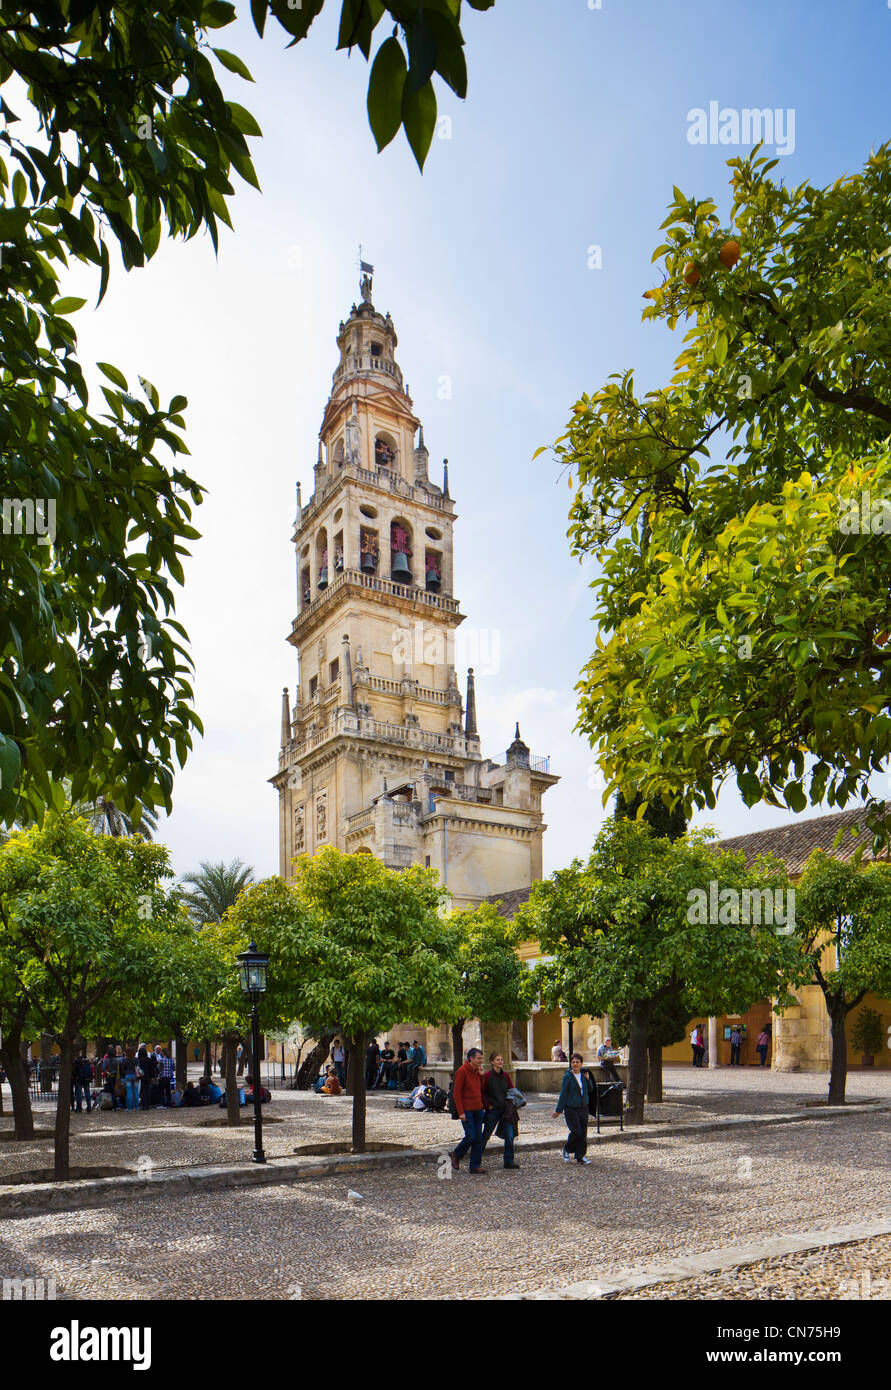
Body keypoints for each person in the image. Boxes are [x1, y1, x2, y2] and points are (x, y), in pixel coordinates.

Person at [449, 1047, 487, 1174]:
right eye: (478, 1058)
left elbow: (481, 1089)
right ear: (471, 1058)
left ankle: (475, 1166)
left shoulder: (477, 1071)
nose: (481, 1060)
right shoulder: (462, 1071)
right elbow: (456, 1093)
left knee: (478, 1139)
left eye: (481, 1058)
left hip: (478, 1108)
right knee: (471, 1136)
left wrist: (482, 1076)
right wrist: (460, 1112)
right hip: (467, 1109)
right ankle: (456, 1154)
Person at [481, 1052, 520, 1170]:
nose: (500, 1062)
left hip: (505, 1110)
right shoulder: (487, 1076)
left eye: (501, 1059)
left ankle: (508, 1161)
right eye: (498, 1060)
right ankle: (476, 1159)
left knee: (510, 1136)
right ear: (492, 1062)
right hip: (493, 1110)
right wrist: (488, 1105)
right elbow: (482, 1092)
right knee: (485, 1135)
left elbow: (511, 1090)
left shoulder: (506, 1076)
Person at [554, 1052, 593, 1165]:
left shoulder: (584, 1075)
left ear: (581, 1064)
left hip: (583, 1107)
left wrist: (588, 1079)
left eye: (577, 1062)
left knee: (583, 1133)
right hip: (571, 1108)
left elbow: (590, 1090)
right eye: (573, 1062)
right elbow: (563, 1094)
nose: (575, 1064)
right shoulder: (567, 1077)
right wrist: (558, 1110)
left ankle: (580, 1156)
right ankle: (567, 1149)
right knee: (576, 1131)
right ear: (570, 1063)